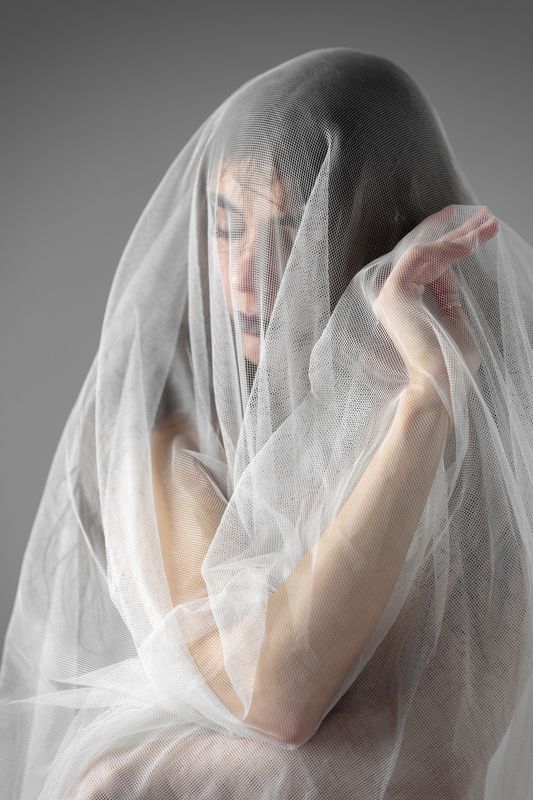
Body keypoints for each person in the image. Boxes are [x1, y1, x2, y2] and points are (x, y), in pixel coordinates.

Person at [1, 47, 532, 800]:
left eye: (291, 227)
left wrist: (428, 390)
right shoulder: (175, 435)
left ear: (379, 229)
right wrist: (424, 409)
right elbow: (274, 700)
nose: (245, 273)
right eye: (224, 227)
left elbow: (447, 749)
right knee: (116, 785)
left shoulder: (497, 402)